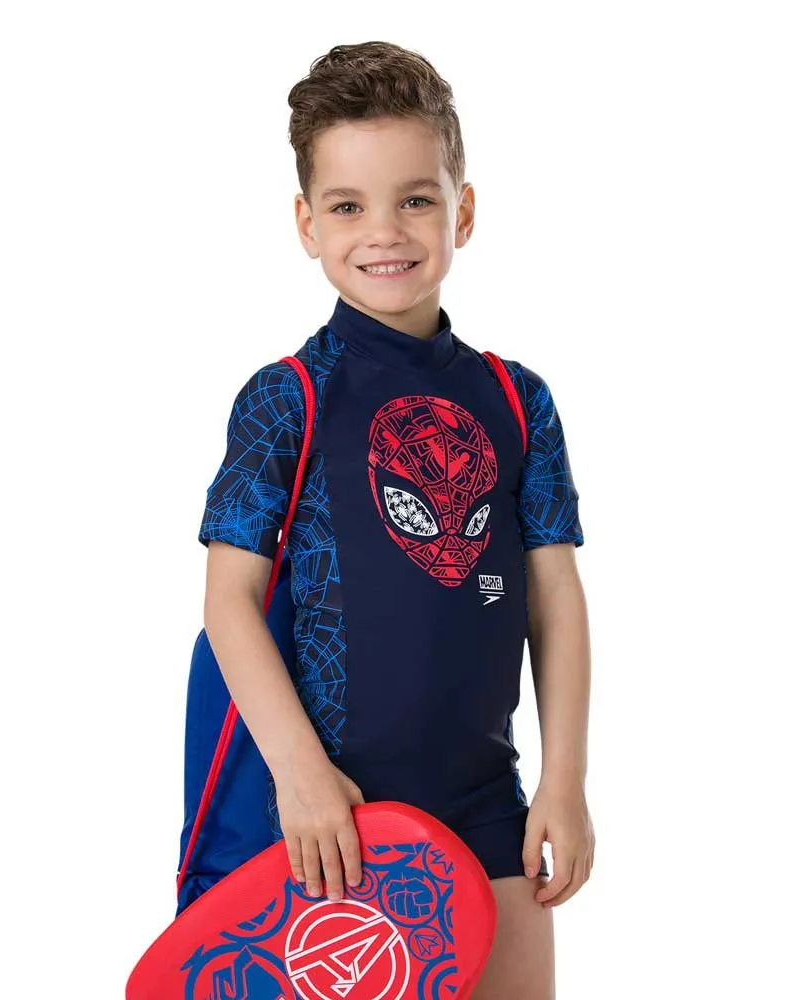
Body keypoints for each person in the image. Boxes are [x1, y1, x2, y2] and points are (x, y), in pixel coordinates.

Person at [198, 40, 594, 1000]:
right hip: (330, 828)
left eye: (415, 199)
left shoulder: (519, 399)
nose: (384, 231)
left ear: (464, 210)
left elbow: (554, 599)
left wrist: (565, 782)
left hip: (488, 812)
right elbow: (229, 603)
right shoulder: (285, 399)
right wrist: (300, 776)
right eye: (347, 206)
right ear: (306, 223)